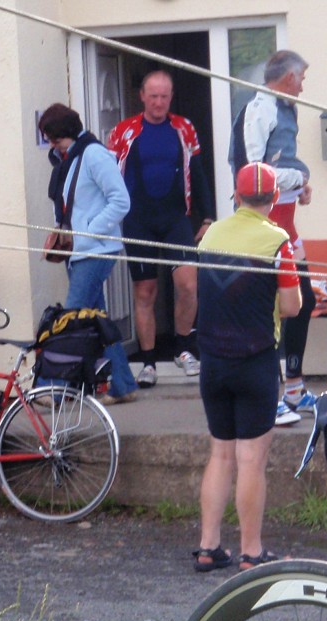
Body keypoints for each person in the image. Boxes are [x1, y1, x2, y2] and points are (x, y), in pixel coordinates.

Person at [191, 162, 302, 572]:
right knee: (252, 459)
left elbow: (192, 288)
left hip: (213, 361)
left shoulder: (210, 235)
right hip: (255, 360)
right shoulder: (278, 241)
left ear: (235, 198)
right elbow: (292, 306)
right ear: (274, 200)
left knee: (220, 454)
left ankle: (208, 546)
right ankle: (251, 552)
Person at [106, 69, 216, 387]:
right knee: (146, 292)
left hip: (175, 218)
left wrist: (207, 216)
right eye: (152, 96)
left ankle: (183, 349)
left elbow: (198, 172)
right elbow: (108, 177)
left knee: (188, 286)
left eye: (164, 96)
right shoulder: (124, 131)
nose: (158, 102)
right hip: (137, 220)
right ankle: (149, 361)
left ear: (171, 97)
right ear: (142, 96)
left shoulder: (183, 128)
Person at [230, 49, 317, 427]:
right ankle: (266, 396)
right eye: (301, 77)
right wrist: (298, 180)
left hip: (285, 219)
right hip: (263, 223)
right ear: (286, 78)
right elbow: (253, 174)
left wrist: (302, 182)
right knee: (268, 309)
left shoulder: (287, 107)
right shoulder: (259, 108)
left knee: (304, 299)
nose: (304, 84)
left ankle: (294, 386)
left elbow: (283, 162)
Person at [39, 103, 137, 406]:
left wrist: (91, 230)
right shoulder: (72, 158)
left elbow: (121, 201)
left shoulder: (93, 155)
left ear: (68, 133)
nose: (53, 147)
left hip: (95, 249)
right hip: (80, 251)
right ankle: (122, 385)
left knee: (70, 319)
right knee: (97, 321)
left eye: (55, 140)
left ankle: (51, 387)